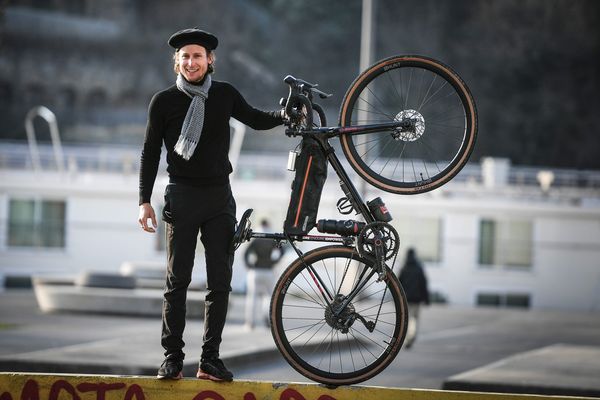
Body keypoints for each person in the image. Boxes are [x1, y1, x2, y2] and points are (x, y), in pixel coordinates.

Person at [137, 28, 284, 382]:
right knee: (178, 281)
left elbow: (255, 118)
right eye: (185, 56)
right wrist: (144, 201)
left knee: (220, 283)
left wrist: (285, 115)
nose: (191, 62)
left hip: (220, 198)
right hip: (182, 196)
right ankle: (171, 358)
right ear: (177, 61)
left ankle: (210, 360)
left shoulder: (225, 94)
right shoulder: (163, 101)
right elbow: (149, 152)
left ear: (210, 60)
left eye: (197, 56)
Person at [243, 219, 284, 329]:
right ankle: (267, 320)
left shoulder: (256, 237)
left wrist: (249, 265)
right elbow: (282, 251)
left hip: (255, 270)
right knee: (268, 297)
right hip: (269, 270)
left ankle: (250, 323)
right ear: (268, 224)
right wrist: (274, 262)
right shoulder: (271, 236)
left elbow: (246, 253)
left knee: (252, 297)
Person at [397, 247, 430, 349]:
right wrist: (426, 298)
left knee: (405, 319)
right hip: (416, 298)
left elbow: (398, 284)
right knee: (414, 319)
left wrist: (397, 299)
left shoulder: (404, 267)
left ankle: (405, 338)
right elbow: (423, 284)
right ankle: (410, 338)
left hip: (405, 299)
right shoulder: (419, 268)